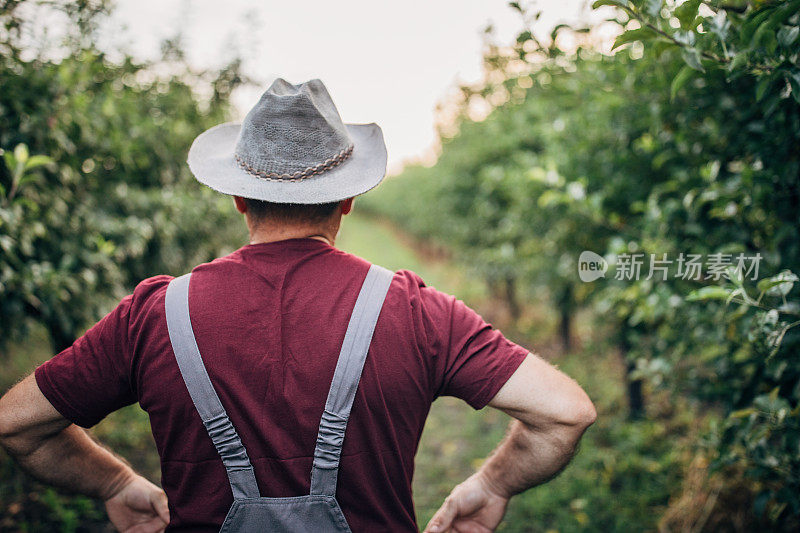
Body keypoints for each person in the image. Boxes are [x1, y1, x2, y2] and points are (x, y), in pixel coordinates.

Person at [0, 78, 596, 532]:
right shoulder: (416, 312)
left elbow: (18, 427)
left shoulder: (155, 315)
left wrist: (114, 482)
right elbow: (564, 413)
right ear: (348, 202)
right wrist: (491, 485)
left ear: (237, 196)